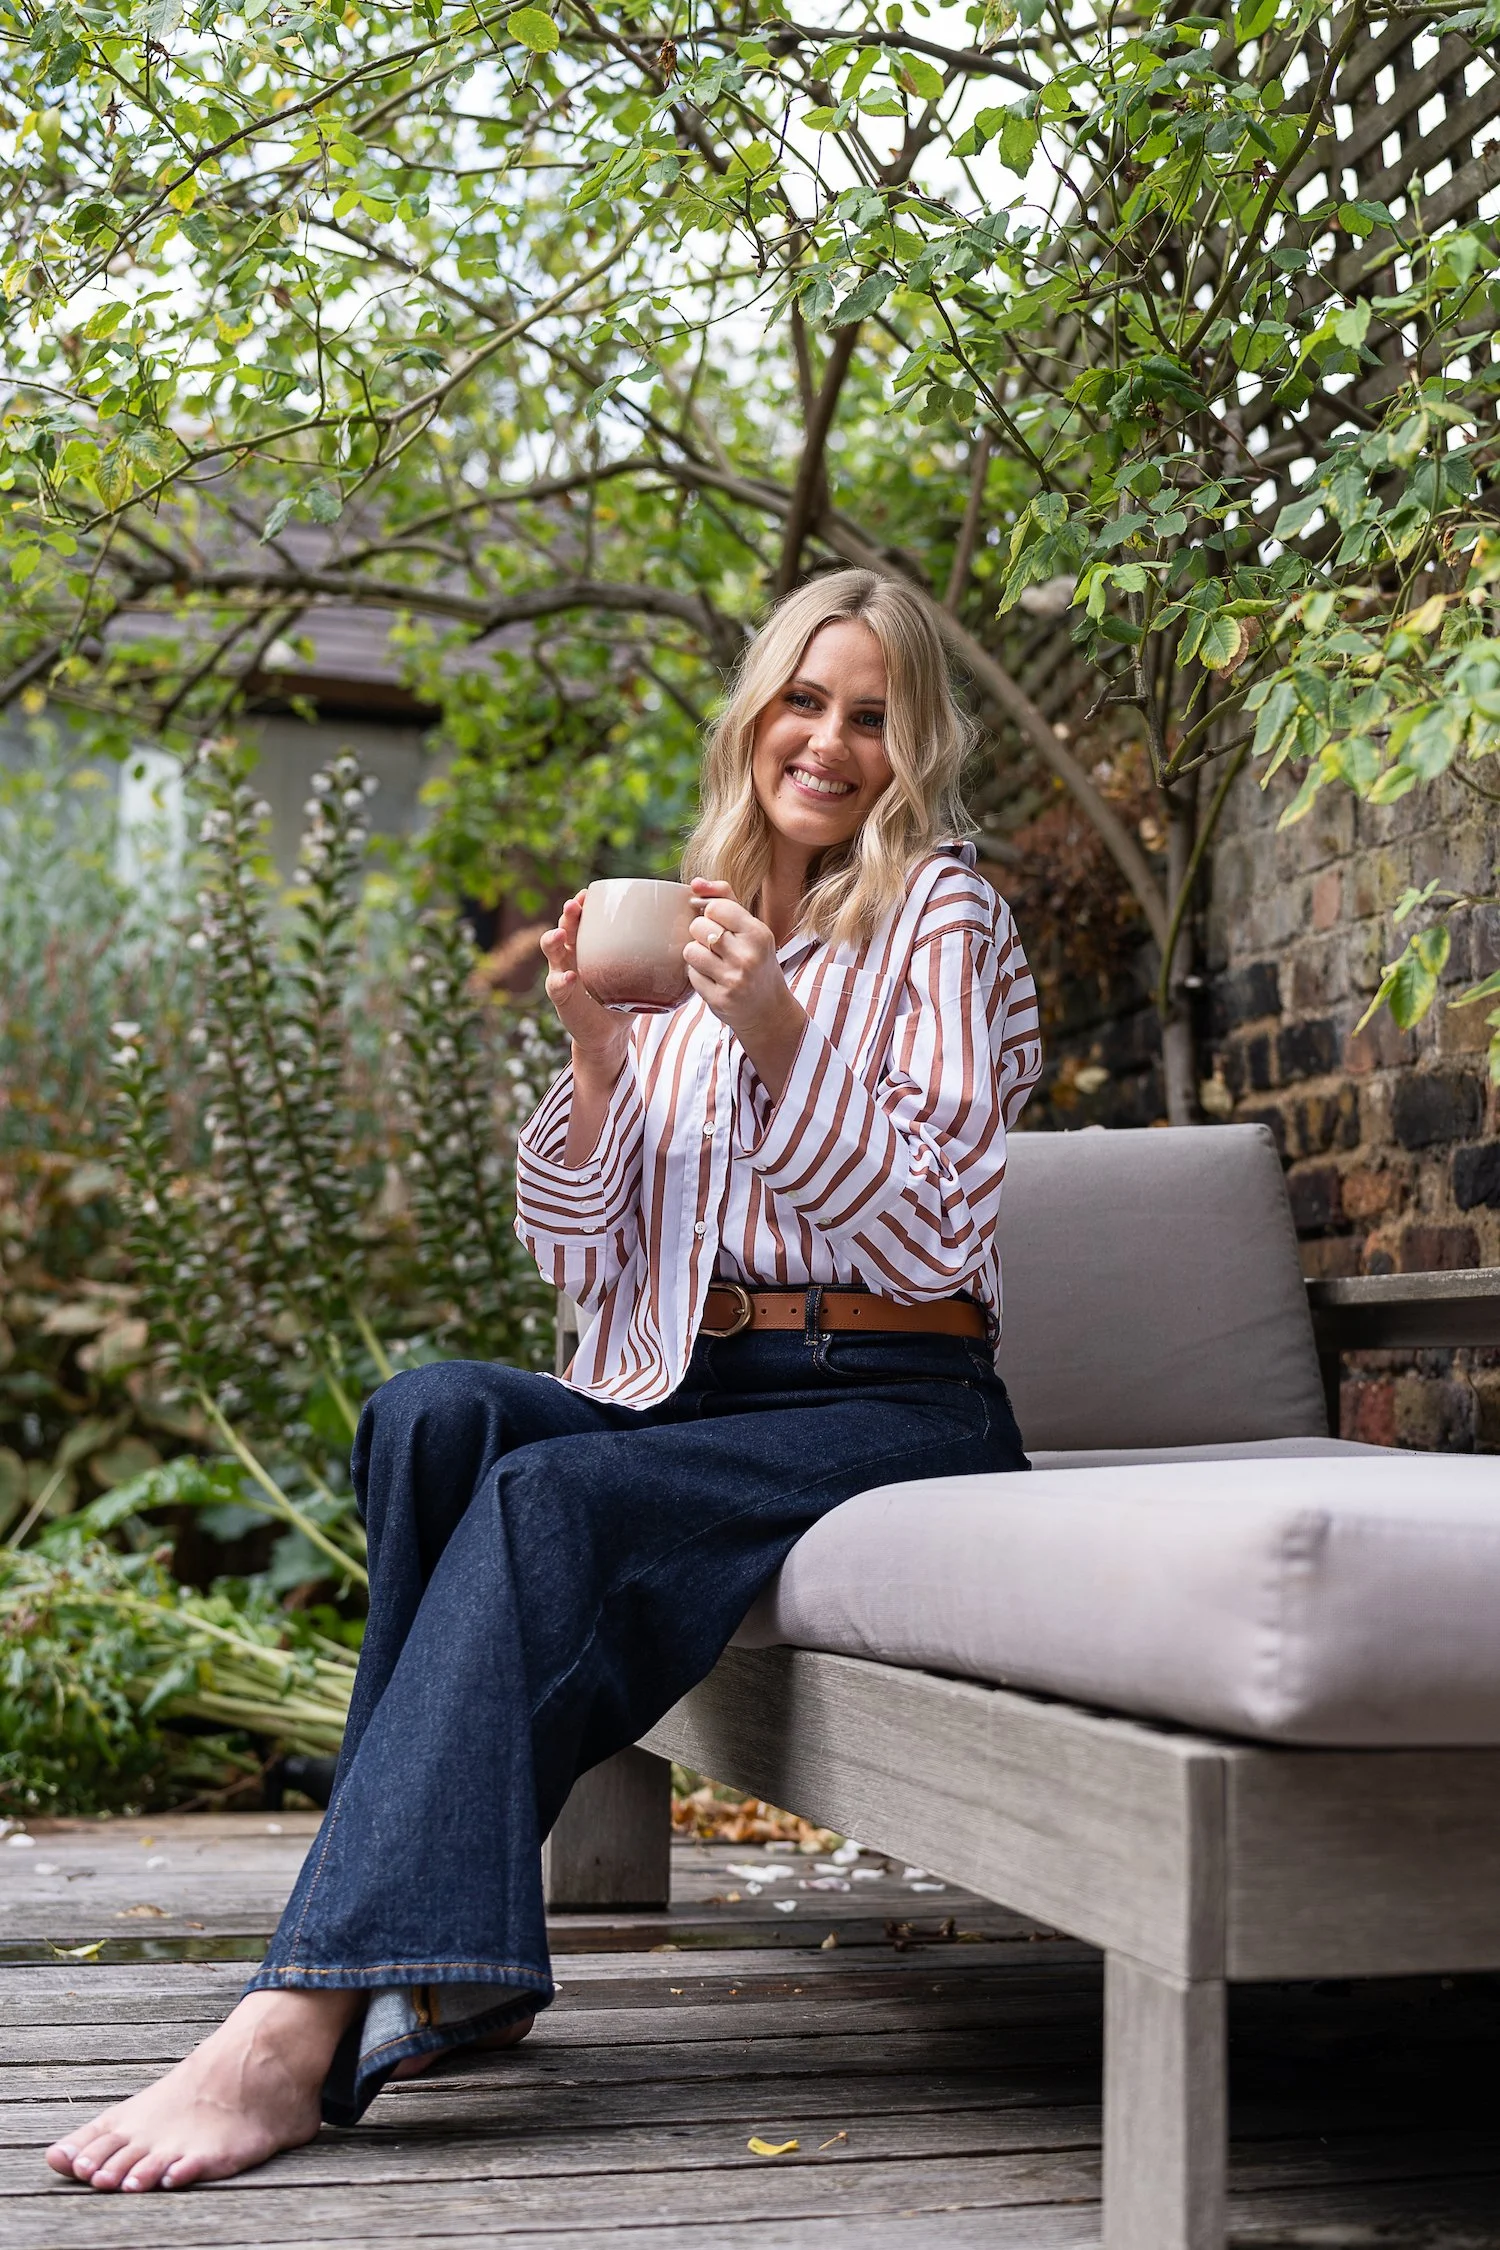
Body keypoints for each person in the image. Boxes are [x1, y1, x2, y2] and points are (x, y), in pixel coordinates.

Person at [45, 567, 1041, 2195]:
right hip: (700, 1384)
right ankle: (464, 1958)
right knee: (435, 1413)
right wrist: (594, 1054)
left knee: (543, 1490)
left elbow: (938, 1220)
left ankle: (296, 2023)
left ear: (912, 740)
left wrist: (782, 1030)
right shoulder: (706, 929)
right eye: (804, 698)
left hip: (892, 1397)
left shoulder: (946, 915)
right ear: (757, 715)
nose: (830, 740)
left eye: (872, 714)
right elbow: (582, 1250)